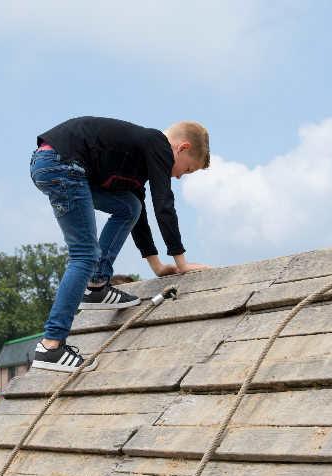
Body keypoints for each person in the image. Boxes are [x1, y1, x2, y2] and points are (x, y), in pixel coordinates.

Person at [30, 117, 212, 372]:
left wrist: (157, 266)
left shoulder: (139, 158)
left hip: (51, 162)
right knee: (84, 254)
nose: (181, 176)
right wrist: (182, 261)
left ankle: (96, 286)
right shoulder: (158, 144)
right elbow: (164, 204)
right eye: (189, 169)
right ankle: (51, 346)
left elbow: (140, 217)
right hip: (63, 164)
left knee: (129, 207)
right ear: (182, 148)